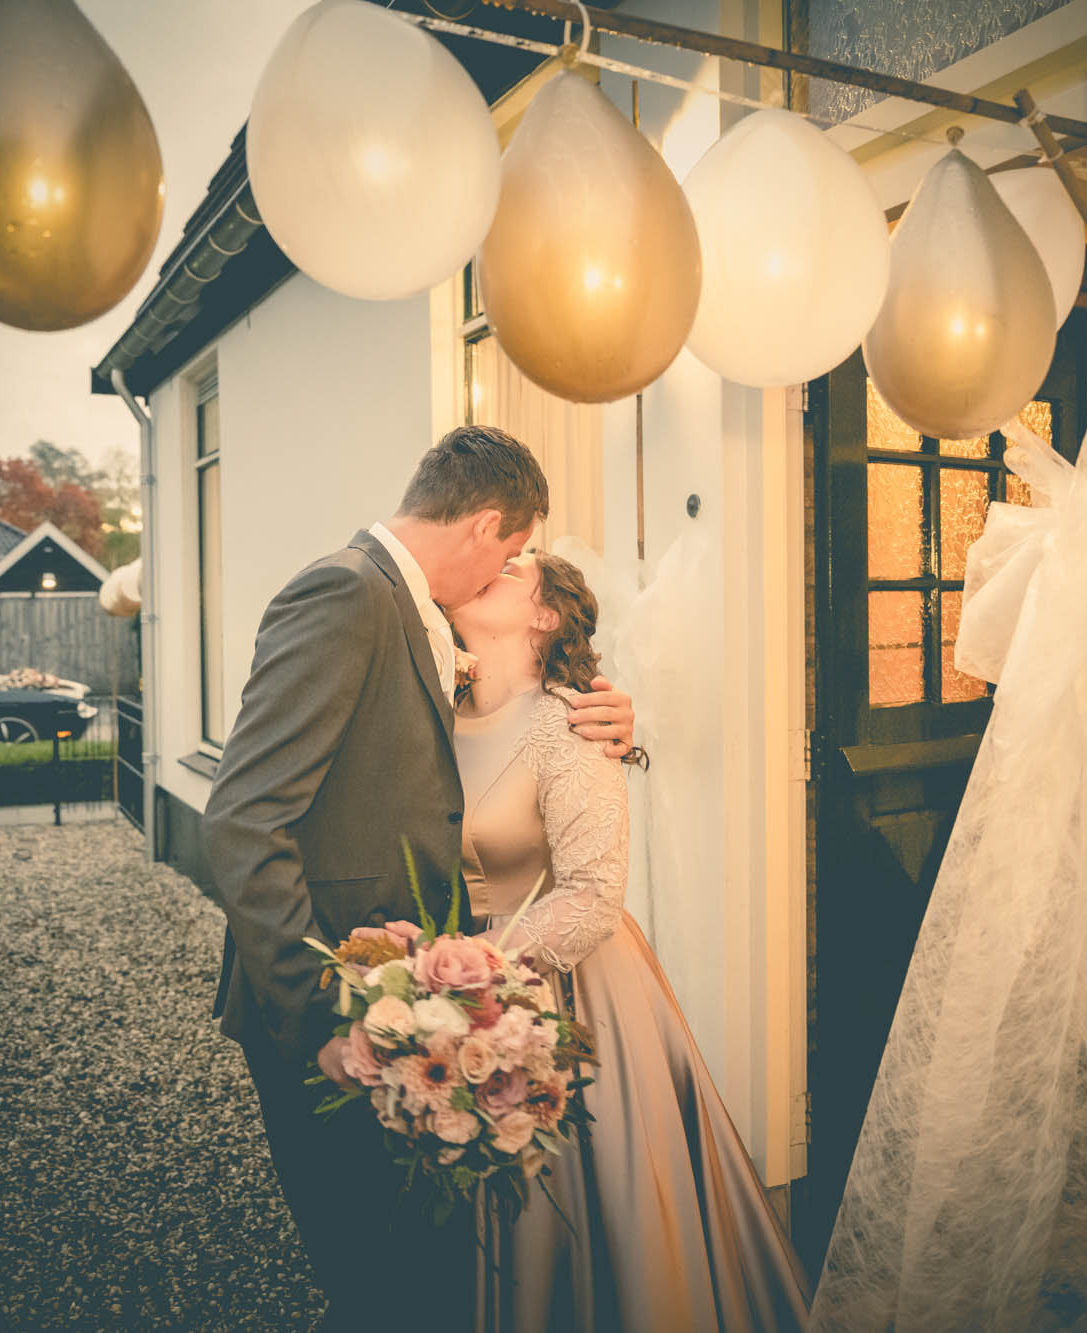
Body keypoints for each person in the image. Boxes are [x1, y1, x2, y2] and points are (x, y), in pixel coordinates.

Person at [200, 426, 635, 1328]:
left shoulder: (416, 617)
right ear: (484, 525)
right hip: (336, 1008)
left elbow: (446, 763)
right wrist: (321, 1014)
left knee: (404, 1269)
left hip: (412, 1011)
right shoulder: (347, 594)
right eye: (512, 553)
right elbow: (245, 816)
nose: (507, 572)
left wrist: (612, 714)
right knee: (374, 1273)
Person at [446, 551, 813, 1332]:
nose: (493, 567)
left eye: (515, 568)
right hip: (450, 991)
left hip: (568, 986)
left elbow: (594, 897)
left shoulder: (570, 725)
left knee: (588, 1206)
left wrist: (483, 969)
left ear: (546, 617)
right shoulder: (436, 711)